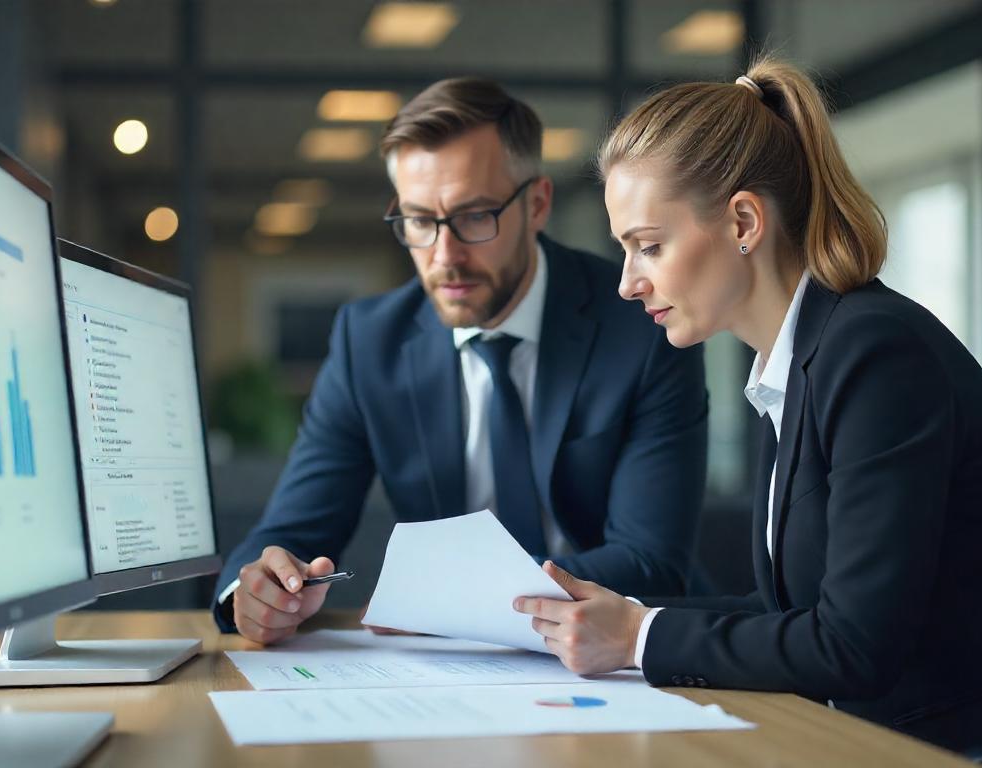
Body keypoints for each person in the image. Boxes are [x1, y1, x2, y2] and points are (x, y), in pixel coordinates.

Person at [514, 58, 982, 750]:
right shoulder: (801, 361)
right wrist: (624, 618)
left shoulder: (874, 353)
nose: (629, 283)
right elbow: (793, 614)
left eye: (648, 246)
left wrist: (639, 637)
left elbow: (853, 644)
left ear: (744, 221)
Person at [213, 77, 709, 646]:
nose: (445, 256)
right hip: (453, 668)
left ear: (538, 204)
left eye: (475, 217)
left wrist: (450, 598)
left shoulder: (641, 323)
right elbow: (291, 530)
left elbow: (652, 562)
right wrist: (255, 591)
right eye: (420, 221)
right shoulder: (369, 341)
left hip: (621, 653)